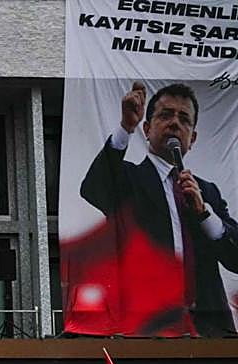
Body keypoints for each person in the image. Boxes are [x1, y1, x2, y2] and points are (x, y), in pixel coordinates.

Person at [79, 81, 238, 336]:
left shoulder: (207, 193)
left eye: (184, 119)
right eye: (165, 115)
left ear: (193, 138)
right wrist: (125, 128)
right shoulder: (128, 179)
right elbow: (93, 188)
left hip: (209, 330)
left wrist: (205, 214)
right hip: (147, 327)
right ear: (146, 128)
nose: (175, 123)